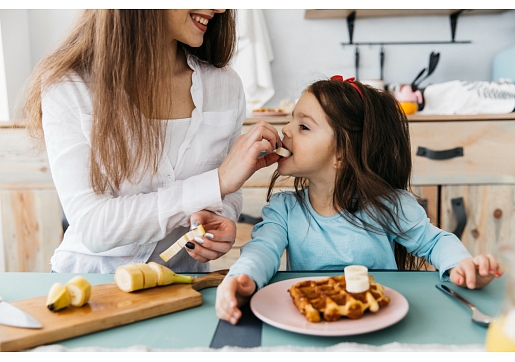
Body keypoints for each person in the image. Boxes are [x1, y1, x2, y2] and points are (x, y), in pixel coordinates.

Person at [215, 76, 503, 325]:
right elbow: (261, 250)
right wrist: (243, 278)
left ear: (342, 154)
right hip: (313, 325)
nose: (285, 131)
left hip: (380, 322)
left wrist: (462, 266)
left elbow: (435, 241)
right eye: (292, 119)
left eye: (303, 127)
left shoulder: (389, 206)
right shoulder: (284, 210)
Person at [21, 10, 282, 273]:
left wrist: (220, 219)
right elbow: (93, 226)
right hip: (89, 285)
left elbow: (229, 190)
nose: (220, 8)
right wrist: (216, 183)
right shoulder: (69, 86)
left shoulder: (226, 85)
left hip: (182, 287)